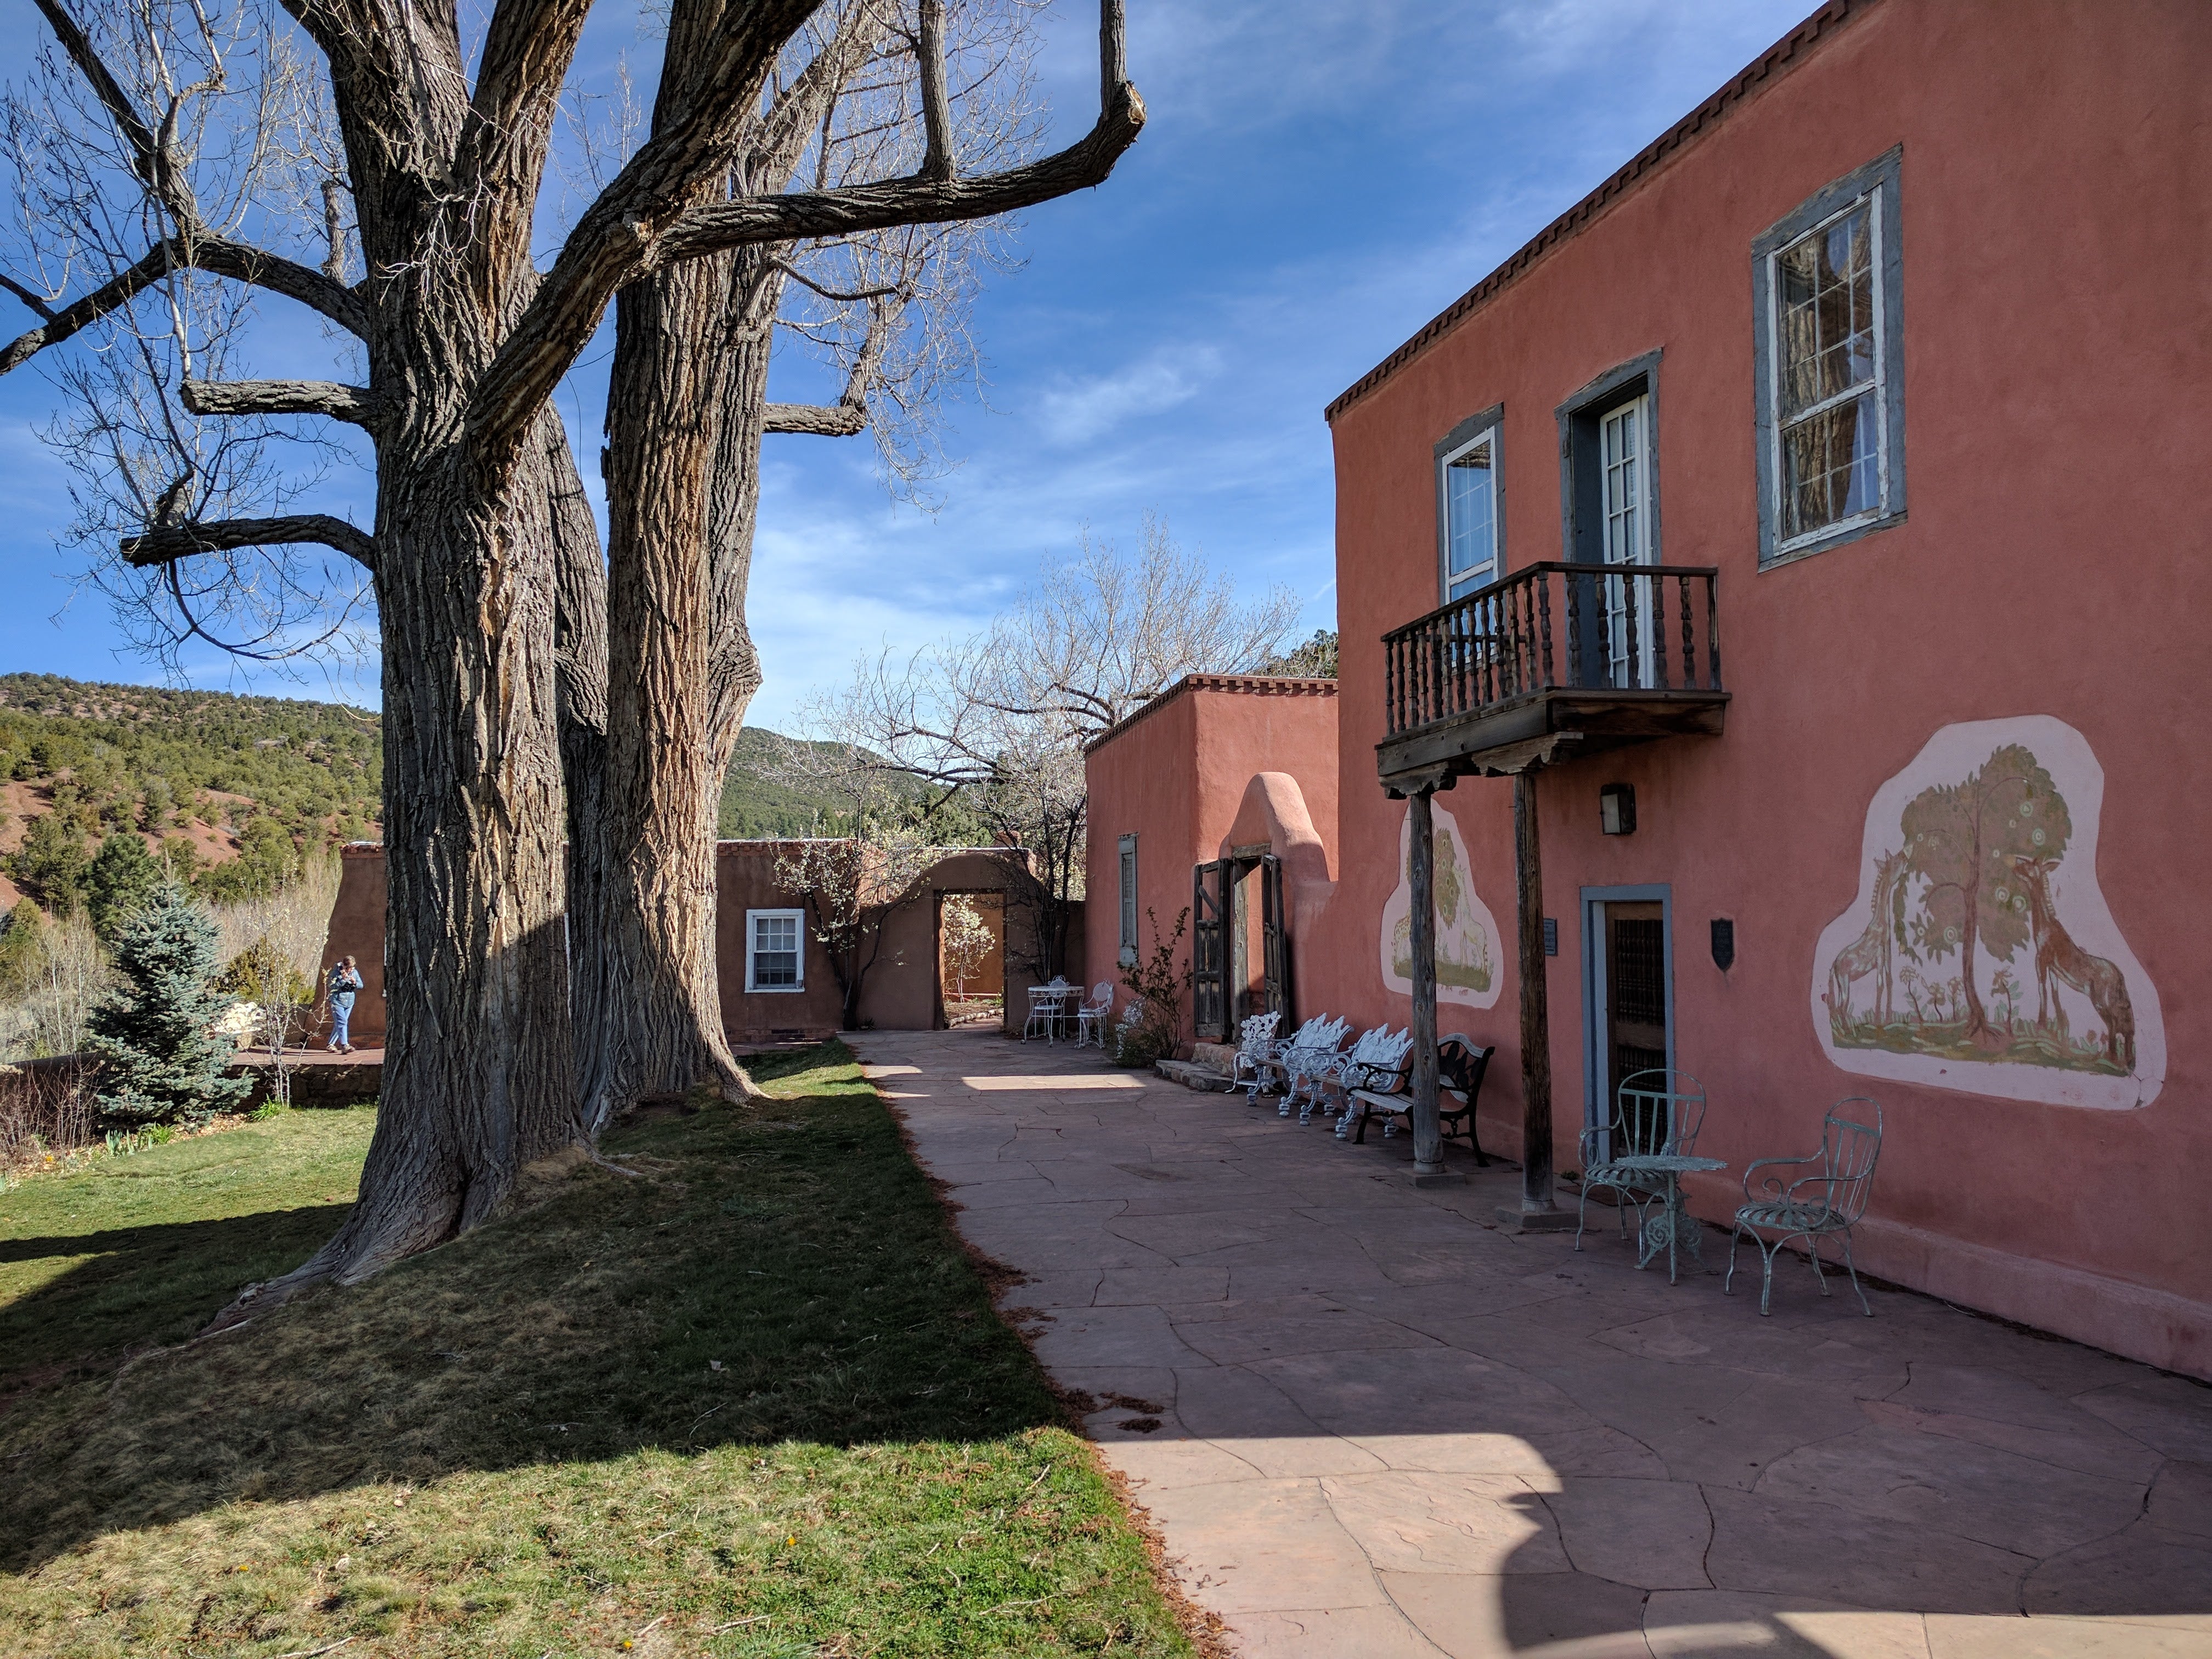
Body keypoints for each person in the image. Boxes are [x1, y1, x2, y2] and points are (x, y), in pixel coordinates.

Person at [326, 955, 364, 1054]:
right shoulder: (336, 972)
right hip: (337, 1000)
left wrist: (354, 982)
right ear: (343, 965)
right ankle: (345, 1045)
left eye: (351, 968)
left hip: (350, 1001)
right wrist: (342, 980)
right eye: (347, 968)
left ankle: (331, 1044)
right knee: (342, 1022)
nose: (349, 970)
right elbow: (331, 986)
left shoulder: (355, 973)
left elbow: (361, 986)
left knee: (341, 1023)